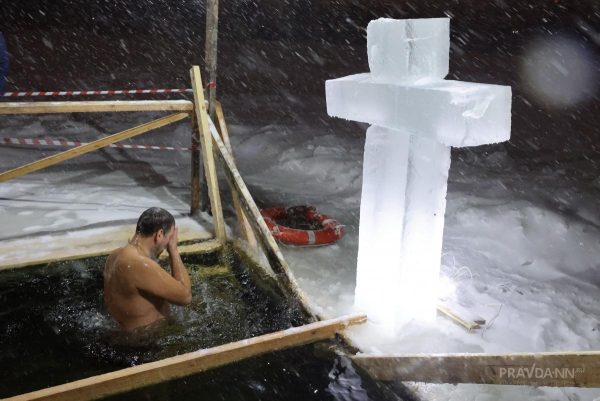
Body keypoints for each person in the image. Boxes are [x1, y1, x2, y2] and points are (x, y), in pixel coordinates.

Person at [104, 207, 192, 331]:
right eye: (170, 238)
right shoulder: (140, 264)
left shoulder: (115, 255)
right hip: (144, 345)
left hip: (127, 338)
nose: (169, 242)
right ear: (160, 234)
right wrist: (173, 250)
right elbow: (185, 297)